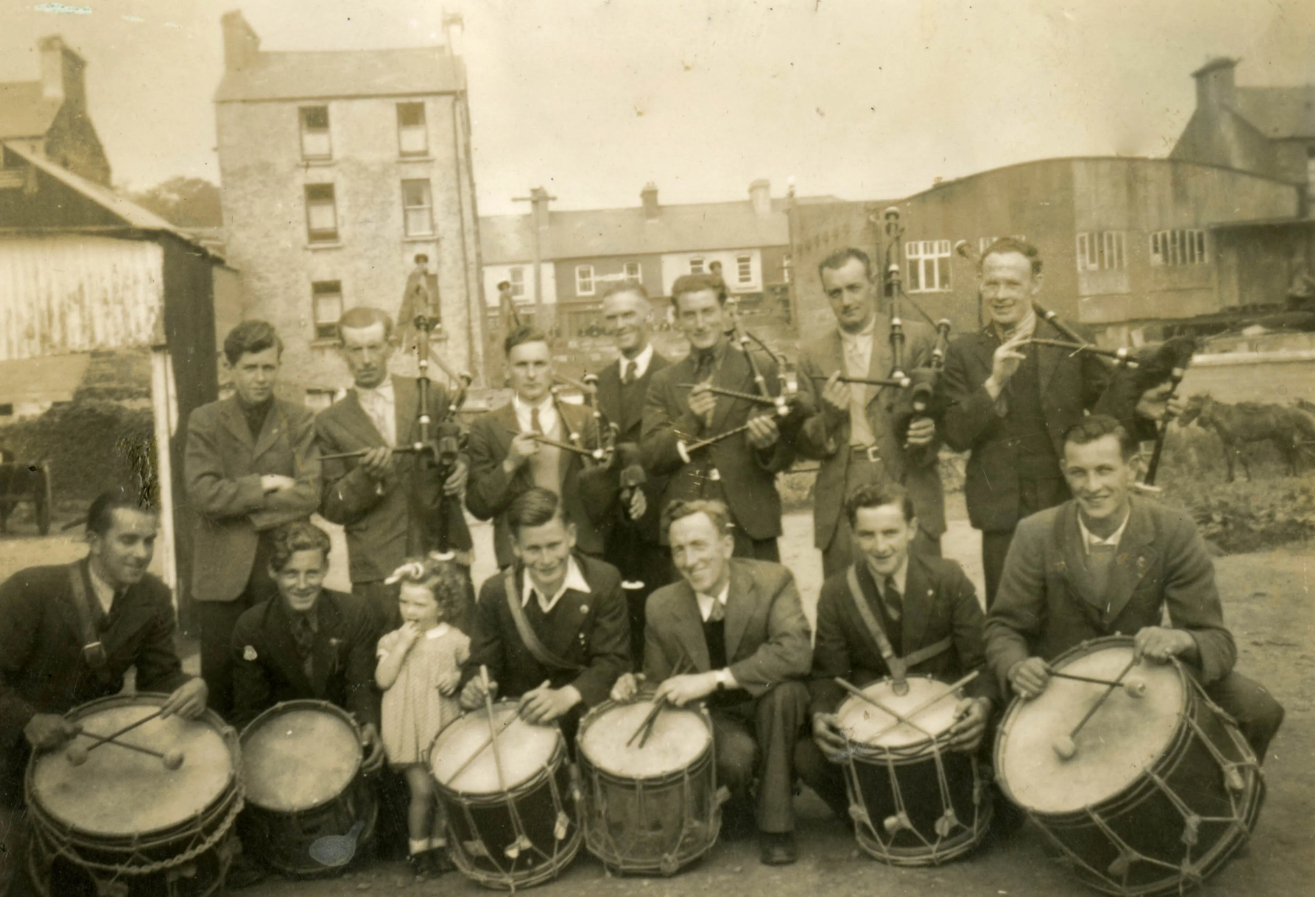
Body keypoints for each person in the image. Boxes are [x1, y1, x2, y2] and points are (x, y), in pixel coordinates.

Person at [985, 415, 1284, 762]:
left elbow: (1216, 639)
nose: (1092, 486)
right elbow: (1003, 627)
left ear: (1134, 468)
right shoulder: (1035, 532)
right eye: (1078, 472)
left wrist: (1179, 639)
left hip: (1143, 679)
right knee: (1000, 752)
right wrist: (1016, 666)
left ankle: (1222, 799)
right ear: (1065, 471)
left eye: (1104, 470)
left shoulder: (1173, 529)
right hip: (1060, 681)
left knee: (1258, 708)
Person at [940, 238, 1176, 606]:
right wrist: (994, 383)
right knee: (1011, 613)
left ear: (1035, 284)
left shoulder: (1070, 338)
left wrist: (1144, 411)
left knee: (1075, 610)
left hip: (1069, 500)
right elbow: (954, 434)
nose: (1001, 295)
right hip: (1002, 514)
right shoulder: (964, 350)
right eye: (992, 284)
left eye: (1013, 284)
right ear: (980, 285)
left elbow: (1107, 410)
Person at [0, 488, 207, 896]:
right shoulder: (31, 590)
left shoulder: (152, 595)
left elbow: (160, 676)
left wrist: (192, 686)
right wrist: (25, 720)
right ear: (93, 541)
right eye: (127, 540)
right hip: (10, 757)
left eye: (149, 540)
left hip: (88, 753)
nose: (142, 553)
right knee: (21, 881)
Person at [611, 499, 812, 866]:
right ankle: (740, 796)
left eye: (699, 545)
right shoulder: (660, 603)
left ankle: (776, 825)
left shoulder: (772, 580)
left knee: (785, 693)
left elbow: (796, 651)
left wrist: (713, 679)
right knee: (738, 756)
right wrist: (633, 684)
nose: (690, 561)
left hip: (769, 703)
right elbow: (659, 683)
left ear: (727, 545)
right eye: (679, 550)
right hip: (714, 720)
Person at [794, 482, 995, 822]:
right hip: (877, 727)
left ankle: (963, 808)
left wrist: (982, 705)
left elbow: (980, 660)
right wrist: (821, 715)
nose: (881, 546)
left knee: (1001, 731)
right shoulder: (836, 592)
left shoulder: (948, 577)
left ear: (912, 529)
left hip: (944, 721)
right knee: (807, 756)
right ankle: (875, 818)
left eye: (891, 532)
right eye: (868, 535)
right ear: (853, 535)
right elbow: (830, 674)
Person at [184, 320, 320, 720]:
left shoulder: (299, 419)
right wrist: (266, 484)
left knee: (280, 679)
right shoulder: (205, 420)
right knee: (223, 686)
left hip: (278, 570)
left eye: (268, 367)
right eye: (250, 368)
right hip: (221, 579)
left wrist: (240, 504)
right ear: (230, 370)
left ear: (278, 366)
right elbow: (203, 494)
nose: (260, 378)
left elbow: (311, 493)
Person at [315, 306, 469, 631]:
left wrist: (462, 468)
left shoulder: (428, 394)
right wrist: (365, 477)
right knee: (387, 663)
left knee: (453, 655)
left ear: (390, 345)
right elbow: (331, 505)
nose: (367, 358)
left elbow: (460, 446)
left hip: (437, 552)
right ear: (342, 352)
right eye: (356, 349)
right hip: (376, 570)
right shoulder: (329, 422)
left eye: (374, 347)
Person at [796, 248, 945, 577]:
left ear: (873, 283)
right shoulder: (812, 355)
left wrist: (929, 429)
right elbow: (804, 442)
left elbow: (942, 413)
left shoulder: (915, 338)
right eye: (835, 293)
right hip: (845, 481)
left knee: (923, 593)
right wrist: (830, 417)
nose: (846, 301)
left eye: (853, 288)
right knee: (850, 600)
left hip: (906, 477)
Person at [642, 274, 796, 561]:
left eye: (708, 312)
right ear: (677, 319)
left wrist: (768, 445)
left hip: (750, 525)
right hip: (688, 529)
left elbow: (785, 454)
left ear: (725, 313)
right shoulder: (663, 381)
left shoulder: (759, 369)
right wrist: (689, 421)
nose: (700, 324)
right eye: (689, 315)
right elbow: (652, 456)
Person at [458, 488, 629, 741]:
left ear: (571, 536)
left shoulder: (604, 580)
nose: (546, 559)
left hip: (587, 719)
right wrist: (476, 685)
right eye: (533, 549)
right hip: (522, 726)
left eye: (554, 545)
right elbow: (481, 663)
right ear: (515, 547)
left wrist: (566, 695)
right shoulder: (495, 591)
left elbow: (613, 660)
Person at [229, 520, 385, 763]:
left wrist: (367, 724)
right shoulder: (251, 627)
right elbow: (251, 710)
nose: (302, 585)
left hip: (341, 739)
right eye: (291, 573)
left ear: (325, 569)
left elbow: (360, 686)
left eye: (312, 573)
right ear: (273, 571)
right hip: (281, 745)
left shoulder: (354, 613)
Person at [465, 327, 609, 568]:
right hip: (520, 557)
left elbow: (605, 494)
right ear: (507, 371)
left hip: (580, 552)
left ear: (552, 368)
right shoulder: (486, 427)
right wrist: (510, 464)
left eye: (539, 364)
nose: (531, 374)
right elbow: (478, 506)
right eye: (521, 365)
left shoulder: (583, 419)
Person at [592, 282, 673, 664]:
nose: (620, 324)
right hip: (613, 533)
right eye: (612, 317)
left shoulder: (674, 376)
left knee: (663, 637)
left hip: (658, 529)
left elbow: (684, 445)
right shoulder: (598, 383)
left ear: (649, 317)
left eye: (629, 314)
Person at [375, 555, 470, 877]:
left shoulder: (456, 640)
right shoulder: (391, 640)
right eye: (404, 602)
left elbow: (470, 672)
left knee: (444, 790)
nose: (410, 611)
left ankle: (440, 845)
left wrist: (458, 677)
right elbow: (383, 679)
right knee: (423, 791)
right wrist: (401, 646)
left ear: (442, 606)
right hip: (409, 730)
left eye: (419, 604)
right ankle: (418, 849)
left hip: (443, 726)